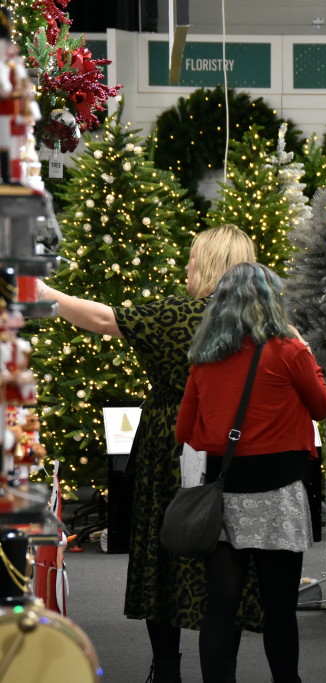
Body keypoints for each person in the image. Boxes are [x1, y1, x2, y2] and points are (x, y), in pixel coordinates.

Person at [36, 224, 261, 682]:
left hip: (170, 445)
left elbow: (101, 318)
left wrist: (43, 290)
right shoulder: (261, 322)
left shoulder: (175, 315)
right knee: (231, 555)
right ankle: (224, 670)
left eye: (193, 258)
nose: (186, 266)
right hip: (241, 447)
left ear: (211, 264)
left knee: (166, 552)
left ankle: (167, 668)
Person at [175, 262, 326, 683]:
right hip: (279, 492)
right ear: (270, 301)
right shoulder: (289, 351)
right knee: (280, 608)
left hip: (223, 494)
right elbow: (321, 406)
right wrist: (309, 353)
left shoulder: (203, 359)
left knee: (220, 608)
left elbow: (184, 431)